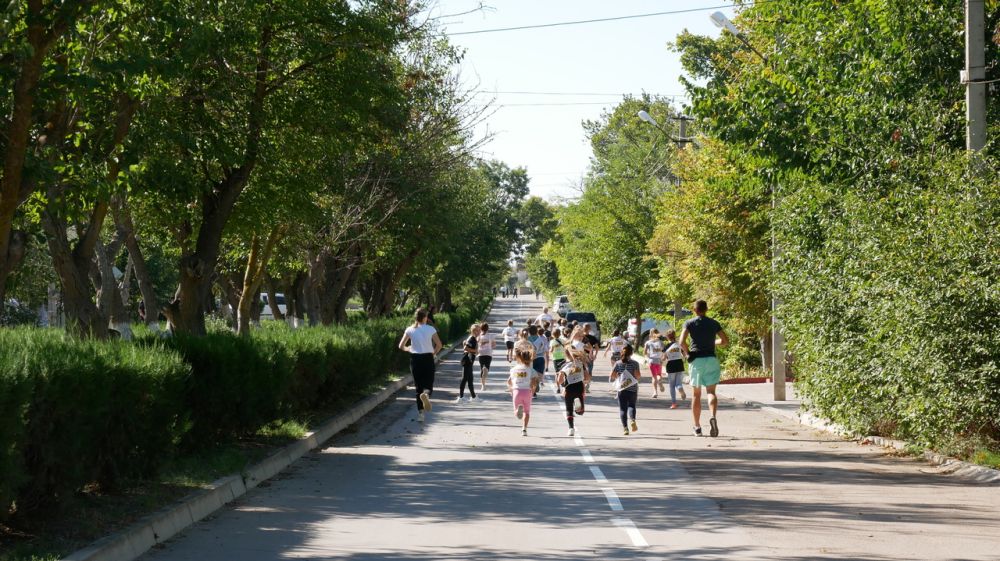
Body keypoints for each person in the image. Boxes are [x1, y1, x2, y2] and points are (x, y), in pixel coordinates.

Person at [679, 300, 729, 437]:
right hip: (712, 360)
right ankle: (712, 416)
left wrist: (687, 353)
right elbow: (725, 341)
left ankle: (697, 427)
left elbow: (681, 342)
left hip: (697, 361)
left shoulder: (689, 323)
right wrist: (713, 342)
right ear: (706, 309)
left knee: (696, 394)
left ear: (694, 310)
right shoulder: (714, 323)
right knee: (711, 392)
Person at [398, 308, 444, 422]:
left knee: (418, 387)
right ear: (425, 317)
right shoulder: (430, 329)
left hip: (415, 359)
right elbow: (439, 345)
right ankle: (427, 395)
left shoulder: (409, 329)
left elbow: (401, 346)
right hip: (428, 358)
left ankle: (420, 414)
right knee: (428, 382)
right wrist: (433, 353)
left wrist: (408, 349)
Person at [557, 327, 587, 436]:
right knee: (580, 412)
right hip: (579, 386)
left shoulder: (565, 366)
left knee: (568, 409)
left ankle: (571, 428)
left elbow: (560, 380)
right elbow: (587, 377)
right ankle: (578, 406)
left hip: (569, 388)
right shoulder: (580, 363)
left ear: (566, 354)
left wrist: (561, 383)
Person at [610, 343, 642, 435]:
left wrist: (618, 376)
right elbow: (638, 376)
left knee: (623, 409)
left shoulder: (618, 363)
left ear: (622, 352)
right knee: (632, 406)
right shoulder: (635, 363)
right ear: (631, 353)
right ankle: (632, 420)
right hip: (633, 388)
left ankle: (625, 428)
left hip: (622, 389)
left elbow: (612, 376)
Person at [507, 348, 536, 436]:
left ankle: (517, 411)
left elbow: (509, 381)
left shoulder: (513, 369)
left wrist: (510, 388)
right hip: (527, 391)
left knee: (516, 410)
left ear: (519, 358)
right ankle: (524, 429)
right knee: (526, 412)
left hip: (516, 390)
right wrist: (533, 391)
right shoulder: (531, 370)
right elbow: (534, 382)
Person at [663, 329, 688, 409]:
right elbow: (684, 354)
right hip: (679, 364)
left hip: (671, 366)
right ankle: (680, 388)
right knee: (678, 383)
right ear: (674, 335)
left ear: (667, 337)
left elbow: (663, 358)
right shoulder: (679, 344)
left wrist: (663, 359)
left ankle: (674, 403)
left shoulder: (666, 346)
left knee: (672, 386)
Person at [457, 324, 480, 403]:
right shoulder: (472, 338)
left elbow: (465, 345)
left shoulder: (473, 338)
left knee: (470, 380)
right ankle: (461, 397)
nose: (479, 331)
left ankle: (473, 397)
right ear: (473, 331)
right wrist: (475, 351)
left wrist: (474, 351)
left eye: (479, 330)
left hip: (469, 361)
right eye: (478, 330)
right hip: (467, 361)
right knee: (465, 379)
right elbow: (465, 348)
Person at [644, 328, 666, 398]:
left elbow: (644, 353)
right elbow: (664, 351)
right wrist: (662, 358)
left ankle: (655, 392)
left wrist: (647, 359)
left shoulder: (648, 342)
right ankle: (660, 380)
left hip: (651, 361)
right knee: (659, 375)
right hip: (659, 360)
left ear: (650, 334)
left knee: (654, 377)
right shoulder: (661, 342)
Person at [527, 324, 548, 395]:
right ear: (536, 331)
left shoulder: (527, 339)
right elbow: (545, 349)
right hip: (540, 358)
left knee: (531, 374)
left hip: (530, 359)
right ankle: (536, 385)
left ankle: (533, 389)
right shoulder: (540, 339)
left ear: (529, 332)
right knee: (538, 374)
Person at [478, 322, 494, 390]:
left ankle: (483, 386)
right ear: (488, 328)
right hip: (488, 353)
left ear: (480, 328)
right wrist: (490, 346)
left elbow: (477, 344)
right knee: (486, 368)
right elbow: (494, 344)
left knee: (481, 367)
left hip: (481, 353)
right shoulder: (490, 336)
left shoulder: (478, 336)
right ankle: (486, 368)